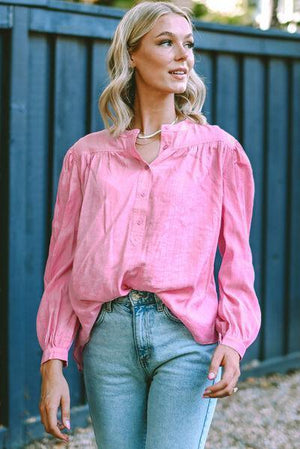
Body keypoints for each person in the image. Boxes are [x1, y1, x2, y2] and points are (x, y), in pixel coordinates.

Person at [36, 1, 261, 448]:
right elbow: (62, 267)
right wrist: (52, 363)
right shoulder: (87, 157)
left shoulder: (218, 151)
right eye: (166, 42)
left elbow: (237, 259)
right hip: (107, 342)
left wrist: (234, 338)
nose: (184, 55)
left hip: (186, 339)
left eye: (188, 44)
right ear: (132, 54)